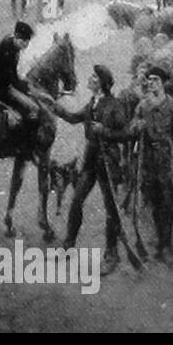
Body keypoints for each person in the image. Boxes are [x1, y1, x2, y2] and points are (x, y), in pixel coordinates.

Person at [54, 65, 132, 275]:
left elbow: (125, 134)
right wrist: (53, 106)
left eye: (94, 77)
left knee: (110, 208)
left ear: (102, 83)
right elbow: (72, 118)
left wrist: (104, 131)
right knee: (77, 201)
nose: (90, 79)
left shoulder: (114, 105)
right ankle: (67, 246)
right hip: (91, 160)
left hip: (108, 160)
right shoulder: (91, 104)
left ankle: (112, 254)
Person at [129, 66, 173, 264]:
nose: (150, 83)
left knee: (166, 203)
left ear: (163, 83)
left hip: (166, 159)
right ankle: (158, 242)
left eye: (155, 79)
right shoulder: (142, 106)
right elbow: (131, 127)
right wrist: (137, 126)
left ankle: (166, 246)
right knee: (152, 201)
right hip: (147, 159)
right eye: (149, 80)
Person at [0, 21, 41, 131]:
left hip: (2, 83)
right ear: (17, 37)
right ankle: (28, 142)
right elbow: (8, 74)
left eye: (27, 42)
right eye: (24, 41)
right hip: (2, 87)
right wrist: (21, 85)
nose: (26, 45)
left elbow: (12, 72)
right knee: (33, 108)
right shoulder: (9, 47)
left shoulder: (11, 44)